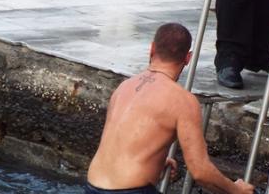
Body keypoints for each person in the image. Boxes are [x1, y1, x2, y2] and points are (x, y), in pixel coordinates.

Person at [86, 23, 254, 194]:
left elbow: (121, 142)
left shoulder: (124, 87)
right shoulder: (182, 101)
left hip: (92, 186)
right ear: (188, 58)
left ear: (152, 49)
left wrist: (154, 161)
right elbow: (200, 171)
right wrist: (237, 190)